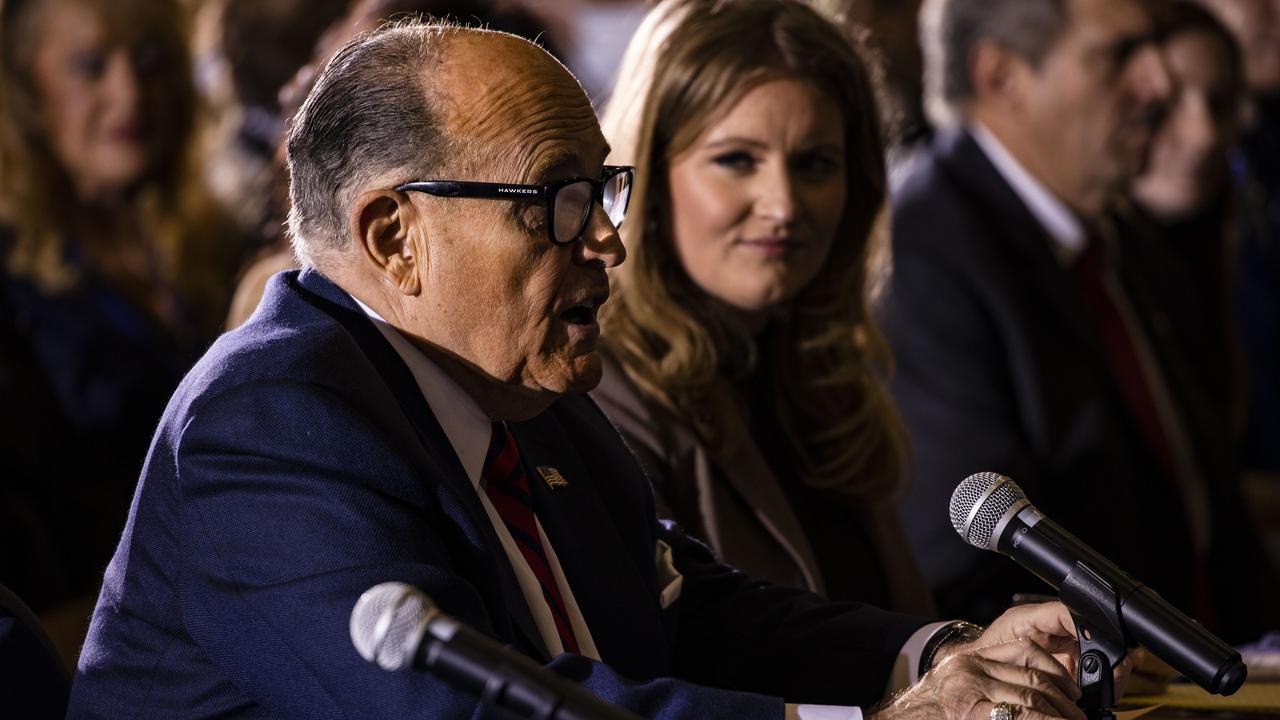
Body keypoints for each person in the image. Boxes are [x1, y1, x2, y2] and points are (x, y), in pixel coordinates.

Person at [71, 20, 1096, 720]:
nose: (605, 243)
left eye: (599, 192)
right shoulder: (268, 421)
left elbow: (687, 613)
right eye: (555, 201)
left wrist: (940, 658)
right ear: (394, 237)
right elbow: (462, 709)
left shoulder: (518, 392)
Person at [880, 0, 1274, 641]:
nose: (1160, 83)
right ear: (1002, 77)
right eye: (1120, 56)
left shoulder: (1114, 231)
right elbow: (970, 571)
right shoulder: (922, 254)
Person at [592, 0, 930, 615]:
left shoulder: (823, 375)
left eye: (814, 164)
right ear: (645, 177)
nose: (784, 204)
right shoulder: (598, 391)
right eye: (737, 161)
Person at [0, 0, 238, 646]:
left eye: (151, 60)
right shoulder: (12, 289)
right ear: (24, 89)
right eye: (90, 65)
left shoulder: (213, 247)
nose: (130, 93)